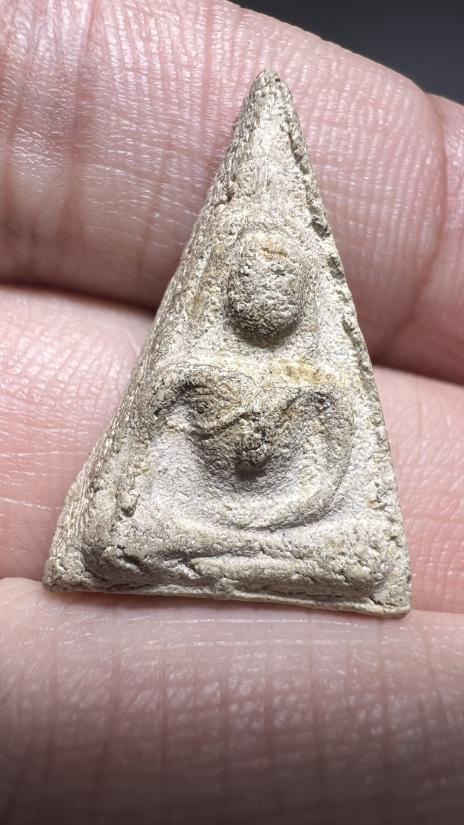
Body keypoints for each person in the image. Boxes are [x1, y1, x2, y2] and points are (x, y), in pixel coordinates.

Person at [0, 1, 463, 822]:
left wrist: (272, 523)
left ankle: (220, 560)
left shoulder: (319, 380)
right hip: (201, 524)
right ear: (224, 282)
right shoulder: (190, 367)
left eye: (286, 279)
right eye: (252, 274)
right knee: (111, 542)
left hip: (288, 532)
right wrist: (174, 517)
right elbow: (128, 486)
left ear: (306, 293)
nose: (269, 290)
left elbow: (340, 488)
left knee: (363, 558)